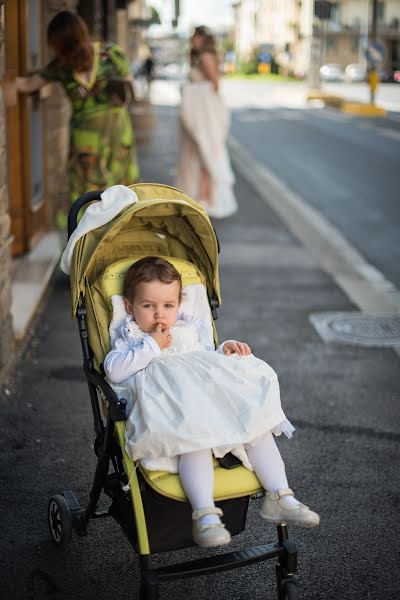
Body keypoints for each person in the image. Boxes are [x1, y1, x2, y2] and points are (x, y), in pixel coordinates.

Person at [104, 257, 320, 549]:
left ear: (178, 305)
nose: (159, 315)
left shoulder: (189, 326)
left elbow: (205, 356)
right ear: (130, 307)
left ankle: (281, 496)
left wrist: (224, 349)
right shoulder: (132, 335)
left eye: (168, 306)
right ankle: (205, 516)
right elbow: (114, 371)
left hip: (209, 390)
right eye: (148, 306)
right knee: (196, 437)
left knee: (254, 424)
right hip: (177, 404)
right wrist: (151, 346)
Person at [16, 11, 139, 231]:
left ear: (59, 43)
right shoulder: (111, 55)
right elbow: (130, 91)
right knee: (122, 191)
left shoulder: (61, 67)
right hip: (117, 132)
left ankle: (87, 247)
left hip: (86, 141)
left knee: (87, 195)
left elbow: (27, 85)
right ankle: (122, 238)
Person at [176, 26, 238, 219]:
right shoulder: (201, 56)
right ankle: (202, 196)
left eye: (196, 37)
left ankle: (205, 198)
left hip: (205, 113)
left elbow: (215, 84)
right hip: (200, 112)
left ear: (203, 38)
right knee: (200, 154)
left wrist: (191, 91)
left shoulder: (206, 56)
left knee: (206, 153)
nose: (193, 40)